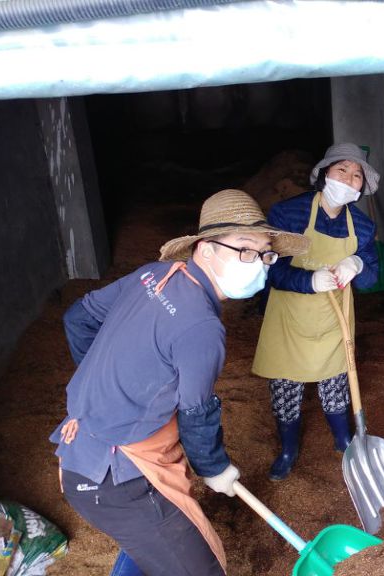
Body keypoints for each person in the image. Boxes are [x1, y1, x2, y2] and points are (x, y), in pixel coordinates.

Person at [51, 189, 309, 576]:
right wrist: (215, 468)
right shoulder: (203, 328)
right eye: (244, 249)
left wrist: (111, 386)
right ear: (205, 250)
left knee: (149, 545)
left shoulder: (152, 275)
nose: (257, 264)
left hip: (78, 454)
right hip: (117, 480)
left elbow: (78, 318)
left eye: (263, 254)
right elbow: (196, 414)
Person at [252, 143, 380, 481]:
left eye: (357, 176)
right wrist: (309, 279)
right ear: (324, 173)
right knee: (285, 392)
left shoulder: (363, 227)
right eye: (342, 171)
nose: (349, 180)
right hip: (289, 321)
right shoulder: (288, 214)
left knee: (336, 385)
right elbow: (271, 271)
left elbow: (371, 279)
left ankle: (344, 441)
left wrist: (357, 263)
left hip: (334, 320)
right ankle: (288, 449)